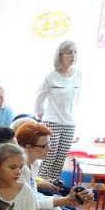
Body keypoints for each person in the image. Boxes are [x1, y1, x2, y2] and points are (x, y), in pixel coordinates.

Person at [16, 121, 91, 210]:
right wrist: (64, 200)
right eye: (45, 146)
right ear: (28, 147)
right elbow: (27, 203)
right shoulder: (19, 169)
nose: (49, 149)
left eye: (49, 144)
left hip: (27, 209)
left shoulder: (33, 164)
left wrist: (59, 199)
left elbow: (33, 194)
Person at [34, 40, 82, 180]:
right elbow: (39, 99)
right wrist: (42, 119)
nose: (73, 55)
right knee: (49, 156)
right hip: (52, 121)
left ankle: (53, 187)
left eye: (75, 52)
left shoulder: (78, 74)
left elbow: (76, 98)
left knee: (60, 159)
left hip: (70, 123)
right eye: (69, 52)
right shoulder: (51, 76)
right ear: (61, 55)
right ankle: (41, 186)